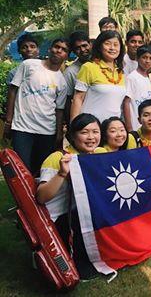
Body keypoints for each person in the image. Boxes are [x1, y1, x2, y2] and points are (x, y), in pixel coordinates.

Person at [36, 113, 106, 280]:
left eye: (95, 132)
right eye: (84, 132)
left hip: (83, 212)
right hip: (59, 218)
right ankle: (81, 263)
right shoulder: (58, 157)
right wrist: (61, 173)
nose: (91, 137)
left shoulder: (99, 153)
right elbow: (41, 197)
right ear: (73, 136)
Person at [4, 38, 69, 175]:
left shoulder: (62, 82)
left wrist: (58, 134)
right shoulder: (29, 65)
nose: (59, 51)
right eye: (57, 47)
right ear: (50, 48)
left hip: (46, 132)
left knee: (40, 172)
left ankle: (38, 197)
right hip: (22, 128)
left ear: (66, 56)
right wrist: (8, 122)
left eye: (64, 50)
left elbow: (59, 110)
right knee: (21, 171)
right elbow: (13, 90)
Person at [71, 30, 126, 123]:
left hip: (112, 129)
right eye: (107, 44)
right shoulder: (89, 67)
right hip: (90, 128)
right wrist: (74, 126)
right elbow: (78, 98)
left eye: (116, 45)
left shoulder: (120, 72)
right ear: (99, 46)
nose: (112, 48)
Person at [123, 45, 151, 131]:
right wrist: (129, 127)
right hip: (135, 125)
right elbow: (126, 102)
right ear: (137, 58)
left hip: (146, 125)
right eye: (144, 57)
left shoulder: (150, 78)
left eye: (150, 58)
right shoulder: (132, 78)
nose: (147, 61)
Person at [64, 31, 92, 123]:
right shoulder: (70, 72)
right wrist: (71, 124)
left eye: (84, 45)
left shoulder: (101, 64)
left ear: (90, 44)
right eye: (78, 48)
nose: (83, 50)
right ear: (74, 51)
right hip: (84, 119)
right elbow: (68, 100)